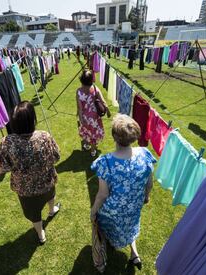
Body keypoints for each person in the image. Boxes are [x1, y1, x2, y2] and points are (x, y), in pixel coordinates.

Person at [90, 114, 157, 270]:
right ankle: (134, 253)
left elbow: (102, 194)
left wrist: (93, 211)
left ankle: (108, 246)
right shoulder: (144, 155)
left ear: (114, 136)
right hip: (134, 205)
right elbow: (149, 182)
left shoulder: (105, 162)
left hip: (113, 211)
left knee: (104, 222)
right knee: (131, 224)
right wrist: (146, 197)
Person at [0, 101, 61, 245]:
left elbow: (0, 168)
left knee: (34, 213)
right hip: (47, 181)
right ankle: (51, 210)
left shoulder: (7, 142)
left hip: (25, 190)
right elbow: (57, 156)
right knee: (50, 196)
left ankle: (40, 234)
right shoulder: (44, 136)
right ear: (33, 119)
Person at [76, 69, 108, 157]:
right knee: (94, 134)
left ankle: (86, 145)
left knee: (86, 131)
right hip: (95, 117)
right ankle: (93, 151)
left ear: (81, 80)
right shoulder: (95, 88)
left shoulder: (78, 91)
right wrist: (107, 110)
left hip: (85, 117)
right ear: (91, 80)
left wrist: (81, 119)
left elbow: (79, 108)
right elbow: (103, 101)